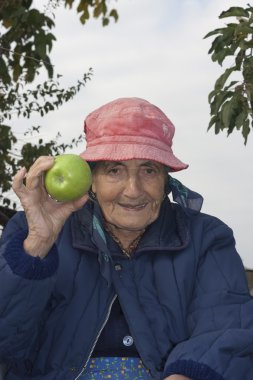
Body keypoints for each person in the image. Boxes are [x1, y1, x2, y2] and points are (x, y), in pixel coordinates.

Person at [0, 97, 253, 380]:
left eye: (148, 170)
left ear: (165, 180)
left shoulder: (206, 238)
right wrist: (38, 245)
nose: (133, 190)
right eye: (114, 170)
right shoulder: (35, 230)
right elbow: (6, 343)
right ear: (91, 179)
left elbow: (228, 325)